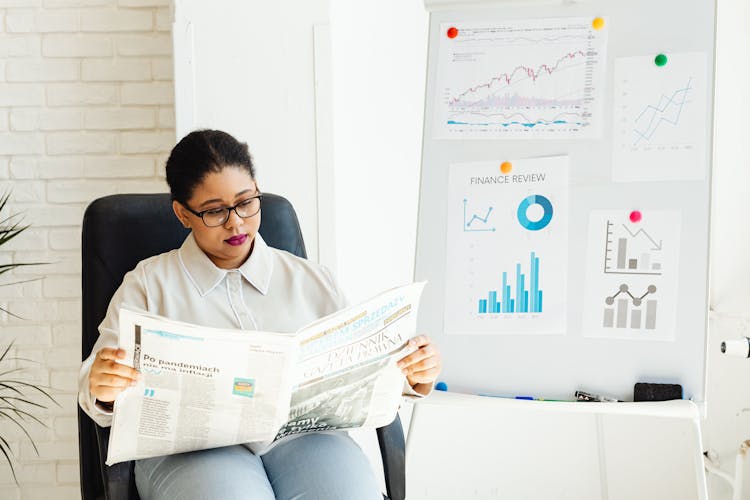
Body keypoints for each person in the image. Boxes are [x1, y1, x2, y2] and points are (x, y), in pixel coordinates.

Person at [77, 129, 442, 500]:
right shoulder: (149, 285)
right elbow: (97, 386)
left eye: (246, 202)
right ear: (183, 214)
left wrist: (413, 374)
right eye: (215, 211)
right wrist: (103, 385)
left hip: (308, 442)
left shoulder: (311, 280)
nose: (236, 223)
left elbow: (367, 379)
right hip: (191, 454)